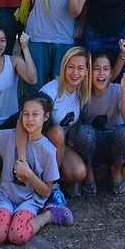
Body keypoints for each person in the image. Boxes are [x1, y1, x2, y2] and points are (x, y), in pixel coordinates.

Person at [0, 93, 71, 245]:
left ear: (46, 116)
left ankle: (48, 216)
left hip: (30, 201)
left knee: (18, 235)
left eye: (35, 114)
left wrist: (29, 174)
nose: (30, 119)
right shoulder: (10, 137)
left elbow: (46, 191)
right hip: (7, 198)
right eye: (26, 114)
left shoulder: (48, 150)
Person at [68, 54, 125, 194]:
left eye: (105, 69)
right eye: (96, 68)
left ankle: (116, 170)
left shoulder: (117, 89)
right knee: (83, 132)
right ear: (89, 72)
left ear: (111, 73)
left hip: (113, 143)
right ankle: (89, 170)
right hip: (92, 144)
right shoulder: (83, 92)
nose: (101, 73)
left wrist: (124, 92)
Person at [39, 47, 91, 197]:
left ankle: (56, 179)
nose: (75, 73)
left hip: (60, 147)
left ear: (86, 71)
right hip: (40, 144)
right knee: (57, 132)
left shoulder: (82, 93)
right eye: (71, 67)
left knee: (78, 172)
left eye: (80, 68)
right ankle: (52, 183)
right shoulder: (50, 91)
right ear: (64, 67)